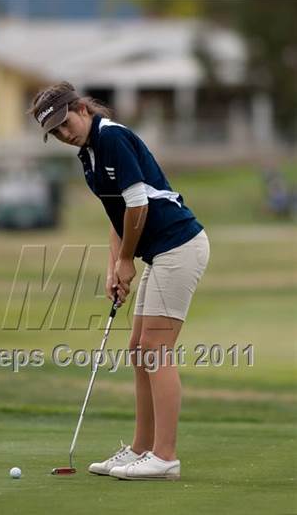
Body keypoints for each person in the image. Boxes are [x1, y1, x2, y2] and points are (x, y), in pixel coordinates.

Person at [28, 82, 210, 481]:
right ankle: (142, 449)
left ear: (80, 108)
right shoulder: (89, 155)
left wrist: (128, 259)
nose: (64, 133)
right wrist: (115, 267)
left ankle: (165, 456)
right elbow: (117, 216)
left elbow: (139, 203)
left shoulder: (112, 137)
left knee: (155, 348)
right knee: (137, 348)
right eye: (55, 132)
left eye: (64, 122)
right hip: (160, 252)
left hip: (179, 246)